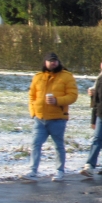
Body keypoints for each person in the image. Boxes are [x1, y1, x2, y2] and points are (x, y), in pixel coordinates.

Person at [24, 53, 79, 181]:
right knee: (35, 144)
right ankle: (33, 171)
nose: (53, 63)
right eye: (50, 61)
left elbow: (73, 96)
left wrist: (57, 101)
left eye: (55, 61)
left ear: (58, 62)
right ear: (45, 63)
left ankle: (59, 171)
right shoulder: (38, 77)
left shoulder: (66, 76)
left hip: (58, 118)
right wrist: (33, 112)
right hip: (40, 119)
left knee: (58, 145)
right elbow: (31, 96)